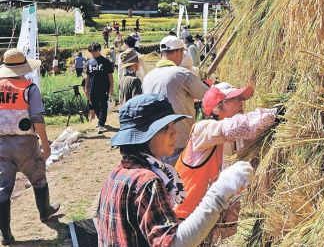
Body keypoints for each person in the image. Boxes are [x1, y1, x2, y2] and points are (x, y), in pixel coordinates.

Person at [96, 93, 254, 247]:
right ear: (144, 136)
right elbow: (174, 243)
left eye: (173, 125)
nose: (175, 132)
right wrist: (220, 192)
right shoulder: (147, 182)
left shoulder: (119, 172)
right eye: (165, 128)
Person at [174, 83, 278, 224]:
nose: (241, 103)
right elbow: (240, 126)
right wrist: (273, 113)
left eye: (241, 99)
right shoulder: (202, 130)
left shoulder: (236, 139)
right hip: (186, 217)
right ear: (217, 108)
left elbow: (254, 132)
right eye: (235, 99)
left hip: (213, 219)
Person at [0, 49, 60, 245]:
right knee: (37, 176)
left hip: (1, 143)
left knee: (2, 189)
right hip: (25, 142)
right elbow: (37, 119)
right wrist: (45, 143)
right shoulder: (29, 88)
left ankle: (6, 235)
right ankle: (45, 212)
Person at [142, 35, 209, 165]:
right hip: (178, 142)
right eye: (183, 52)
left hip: (154, 144)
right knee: (181, 182)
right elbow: (207, 95)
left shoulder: (148, 77)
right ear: (178, 52)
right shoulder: (181, 73)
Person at [84, 42, 114, 134]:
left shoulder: (106, 61)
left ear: (99, 50)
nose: (93, 53)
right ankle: (100, 120)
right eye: (92, 52)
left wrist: (111, 87)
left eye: (95, 51)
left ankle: (101, 123)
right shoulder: (89, 62)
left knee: (103, 106)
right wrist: (86, 88)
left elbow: (110, 75)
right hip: (93, 88)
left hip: (104, 87)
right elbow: (88, 76)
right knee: (94, 105)